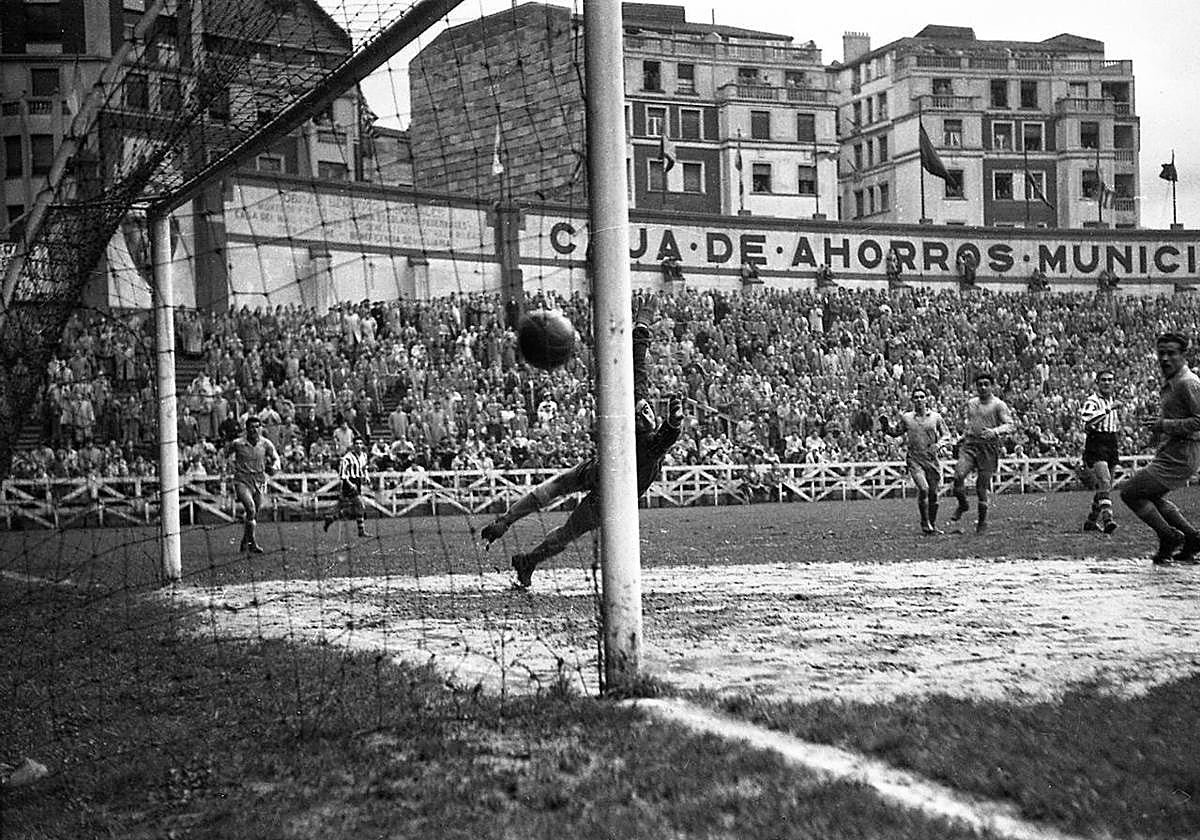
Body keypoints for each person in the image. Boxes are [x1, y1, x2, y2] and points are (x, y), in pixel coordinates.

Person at [480, 298, 683, 589]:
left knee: (559, 486)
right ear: (639, 425)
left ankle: (508, 521)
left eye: (644, 410)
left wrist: (644, 321)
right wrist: (674, 422)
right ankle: (528, 560)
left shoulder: (633, 404)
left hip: (606, 471)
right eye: (643, 414)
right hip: (616, 493)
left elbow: (639, 364)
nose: (646, 409)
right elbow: (665, 437)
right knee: (568, 531)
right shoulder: (648, 444)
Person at [1120, 333, 1200, 565]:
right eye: (1161, 353)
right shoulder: (1173, 382)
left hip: (1183, 453)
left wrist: (1163, 425)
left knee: (1130, 493)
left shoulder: (1188, 383)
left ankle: (1169, 536)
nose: (1165, 358)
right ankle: (1193, 538)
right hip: (1173, 450)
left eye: (1171, 353)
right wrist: (1160, 429)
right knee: (1151, 497)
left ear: (1183, 356)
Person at [881, 386, 954, 534]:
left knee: (934, 494)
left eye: (922, 397)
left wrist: (939, 444)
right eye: (916, 397)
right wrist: (885, 425)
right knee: (923, 488)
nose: (919, 400)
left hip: (931, 459)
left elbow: (947, 435)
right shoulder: (907, 418)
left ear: (927, 399)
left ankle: (932, 525)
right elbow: (895, 432)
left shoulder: (936, 417)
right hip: (915, 459)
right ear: (912, 400)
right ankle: (924, 522)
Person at [948, 373, 1015, 533]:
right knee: (958, 475)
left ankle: (982, 522)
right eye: (980, 385)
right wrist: (961, 437)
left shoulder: (998, 405)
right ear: (976, 387)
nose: (983, 387)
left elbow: (1010, 425)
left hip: (988, 448)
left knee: (981, 487)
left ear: (992, 386)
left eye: (986, 384)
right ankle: (963, 504)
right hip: (970, 445)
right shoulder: (971, 403)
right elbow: (971, 424)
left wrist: (995, 431)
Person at [224, 415, 280, 554]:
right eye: (251, 427)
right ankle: (253, 543)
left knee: (254, 513)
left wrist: (273, 468)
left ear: (260, 428)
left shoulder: (265, 444)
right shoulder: (238, 443)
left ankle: (245, 541)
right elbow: (224, 455)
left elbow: (276, 458)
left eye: (257, 427)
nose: (254, 430)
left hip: (260, 480)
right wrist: (227, 466)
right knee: (250, 508)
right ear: (246, 429)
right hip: (242, 480)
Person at [1079, 369, 1122, 534]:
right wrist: (1108, 409)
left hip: (1111, 441)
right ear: (1097, 383)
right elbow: (1087, 422)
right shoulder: (1093, 401)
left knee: (1107, 485)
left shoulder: (1113, 401)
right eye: (1103, 380)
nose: (1107, 383)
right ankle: (1107, 519)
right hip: (1096, 442)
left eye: (1110, 380)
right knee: (1104, 480)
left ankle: (1091, 521)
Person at [324, 435, 371, 537]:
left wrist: (366, 477)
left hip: (357, 482)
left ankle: (332, 518)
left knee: (355, 508)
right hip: (348, 483)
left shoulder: (364, 455)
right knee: (360, 505)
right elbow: (342, 475)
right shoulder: (347, 458)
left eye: (360, 443)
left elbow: (364, 468)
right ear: (353, 445)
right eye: (356, 444)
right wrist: (350, 484)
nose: (358, 445)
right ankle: (361, 531)